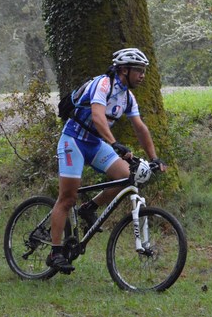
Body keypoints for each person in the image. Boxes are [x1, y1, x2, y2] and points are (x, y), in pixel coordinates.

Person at [48, 47, 167, 274]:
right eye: (139, 70)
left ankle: (89, 207)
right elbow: (97, 116)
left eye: (144, 71)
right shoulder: (103, 84)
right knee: (67, 197)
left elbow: (140, 127)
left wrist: (154, 158)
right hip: (73, 140)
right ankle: (55, 252)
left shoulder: (128, 97)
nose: (142, 75)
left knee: (125, 177)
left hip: (94, 143)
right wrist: (114, 144)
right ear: (124, 69)